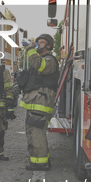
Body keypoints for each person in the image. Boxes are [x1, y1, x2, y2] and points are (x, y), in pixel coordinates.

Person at [20, 33, 60, 170]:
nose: (38, 44)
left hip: (41, 101)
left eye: (42, 42)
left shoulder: (49, 60)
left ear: (48, 46)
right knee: (32, 131)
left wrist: (30, 49)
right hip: (35, 101)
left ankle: (39, 163)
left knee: (36, 132)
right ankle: (40, 159)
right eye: (38, 42)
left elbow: (40, 66)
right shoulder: (40, 58)